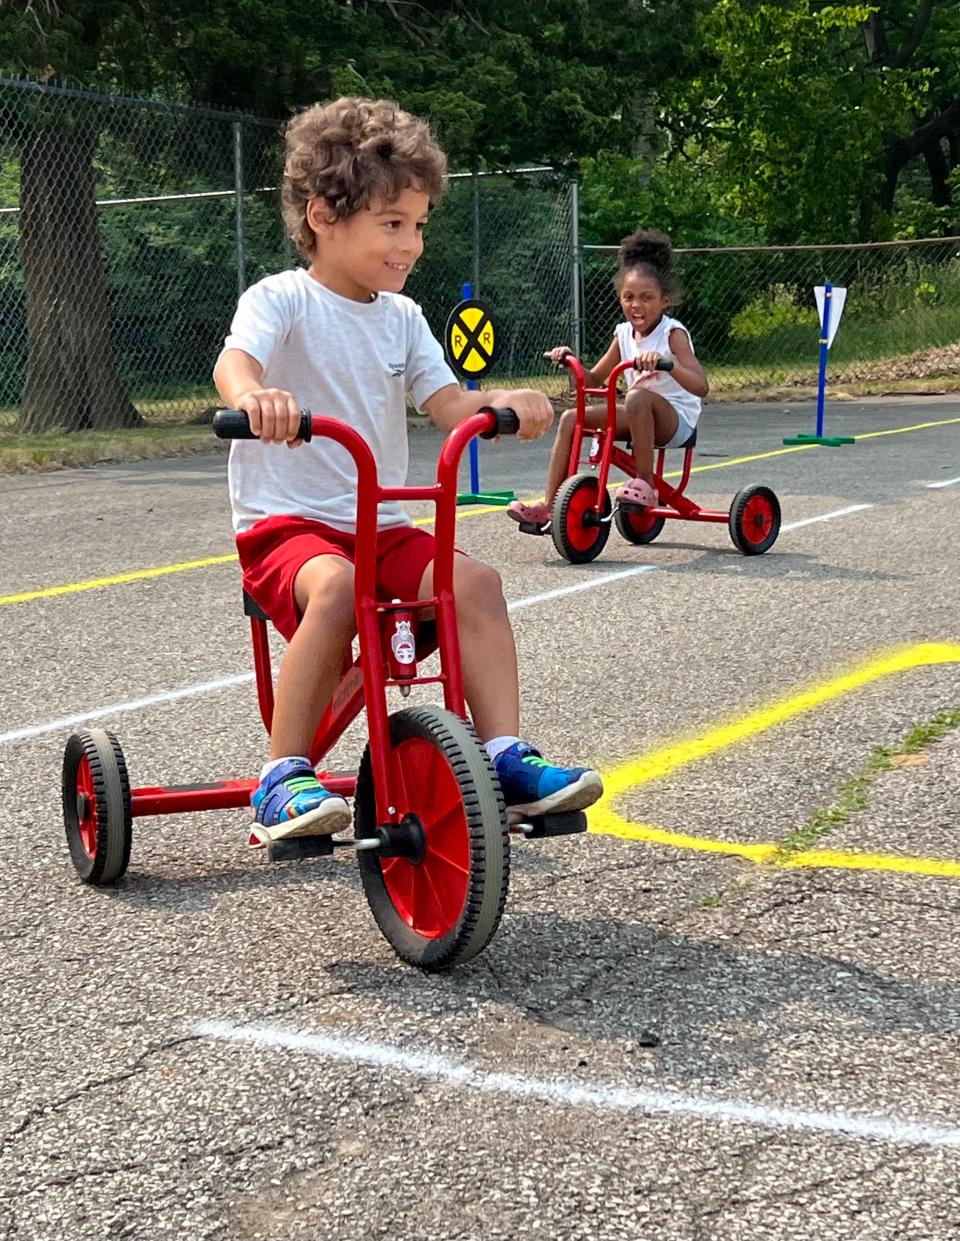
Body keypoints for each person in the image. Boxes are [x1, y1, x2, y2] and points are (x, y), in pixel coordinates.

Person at [213, 96, 603, 847]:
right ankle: (281, 776)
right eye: (393, 224)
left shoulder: (403, 317)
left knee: (476, 583)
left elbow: (449, 402)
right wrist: (254, 397)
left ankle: (503, 760)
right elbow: (237, 360)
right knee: (334, 587)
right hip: (288, 529)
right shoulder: (283, 299)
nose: (412, 244)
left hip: (380, 526)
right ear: (325, 216)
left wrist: (503, 400)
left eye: (419, 226)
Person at [507, 229, 709, 527]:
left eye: (646, 298)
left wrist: (667, 364)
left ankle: (645, 485)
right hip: (639, 415)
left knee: (637, 396)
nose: (636, 305)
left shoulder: (672, 333)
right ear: (620, 298)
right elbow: (594, 381)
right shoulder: (623, 334)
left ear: (664, 301)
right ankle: (550, 506)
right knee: (570, 419)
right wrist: (570, 361)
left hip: (675, 421)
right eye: (628, 297)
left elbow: (701, 386)